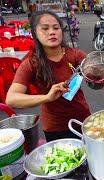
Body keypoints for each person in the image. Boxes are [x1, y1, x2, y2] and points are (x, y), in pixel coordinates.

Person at [6, 11, 91, 142]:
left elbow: (96, 80)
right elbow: (11, 99)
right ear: (35, 33)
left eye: (56, 28)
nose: (52, 32)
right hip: (55, 128)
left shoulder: (75, 55)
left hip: (84, 121)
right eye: (45, 28)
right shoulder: (31, 64)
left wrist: (97, 78)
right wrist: (47, 97)